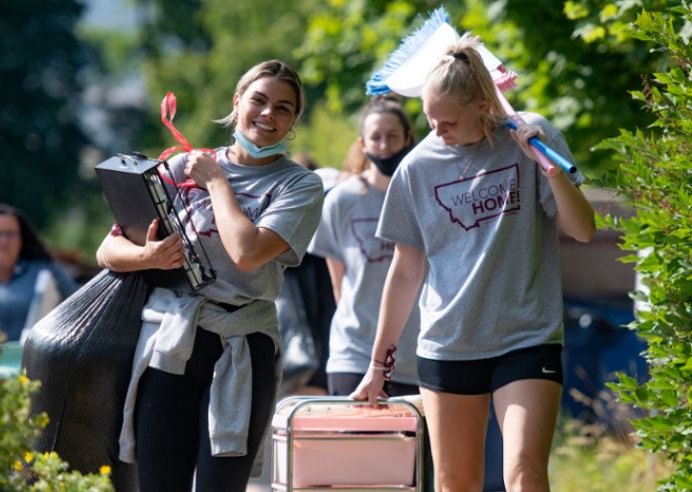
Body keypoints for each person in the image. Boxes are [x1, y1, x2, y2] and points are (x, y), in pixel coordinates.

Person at [352, 35, 596, 492]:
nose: (436, 133)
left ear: (485, 105)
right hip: (449, 343)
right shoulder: (417, 167)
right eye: (429, 119)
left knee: (523, 473)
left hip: (527, 336)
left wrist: (548, 169)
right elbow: (405, 272)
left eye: (447, 122)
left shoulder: (532, 135)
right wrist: (378, 365)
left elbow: (584, 229)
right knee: (454, 482)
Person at [96, 59, 324, 492]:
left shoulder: (300, 186)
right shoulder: (181, 169)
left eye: (282, 108)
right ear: (237, 103)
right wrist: (149, 256)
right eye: (258, 100)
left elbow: (248, 252)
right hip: (170, 342)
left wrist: (218, 182)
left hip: (243, 346)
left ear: (294, 121)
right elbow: (107, 250)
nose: (267, 115)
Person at [309, 96, 420, 397]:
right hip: (354, 353)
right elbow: (339, 286)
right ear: (363, 143)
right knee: (357, 444)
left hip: (416, 355)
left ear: (408, 138)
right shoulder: (341, 200)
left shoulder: (423, 197)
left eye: (393, 136)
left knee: (415, 445)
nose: (384, 145)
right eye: (376, 137)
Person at [0, 203, 78, 341]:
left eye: (10, 234)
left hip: (35, 360)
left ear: (21, 240)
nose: (4, 241)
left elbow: (80, 304)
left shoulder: (44, 269)